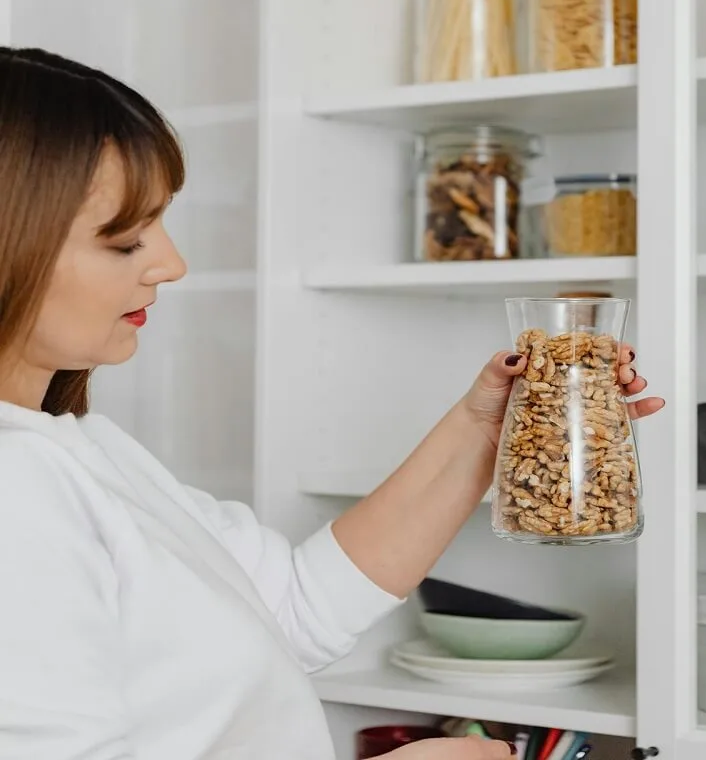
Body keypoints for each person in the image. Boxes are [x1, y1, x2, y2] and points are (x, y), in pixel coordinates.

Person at [0, 47, 664, 760]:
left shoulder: (82, 450)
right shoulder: (17, 488)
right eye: (125, 239)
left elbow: (291, 606)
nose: (170, 263)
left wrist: (492, 426)